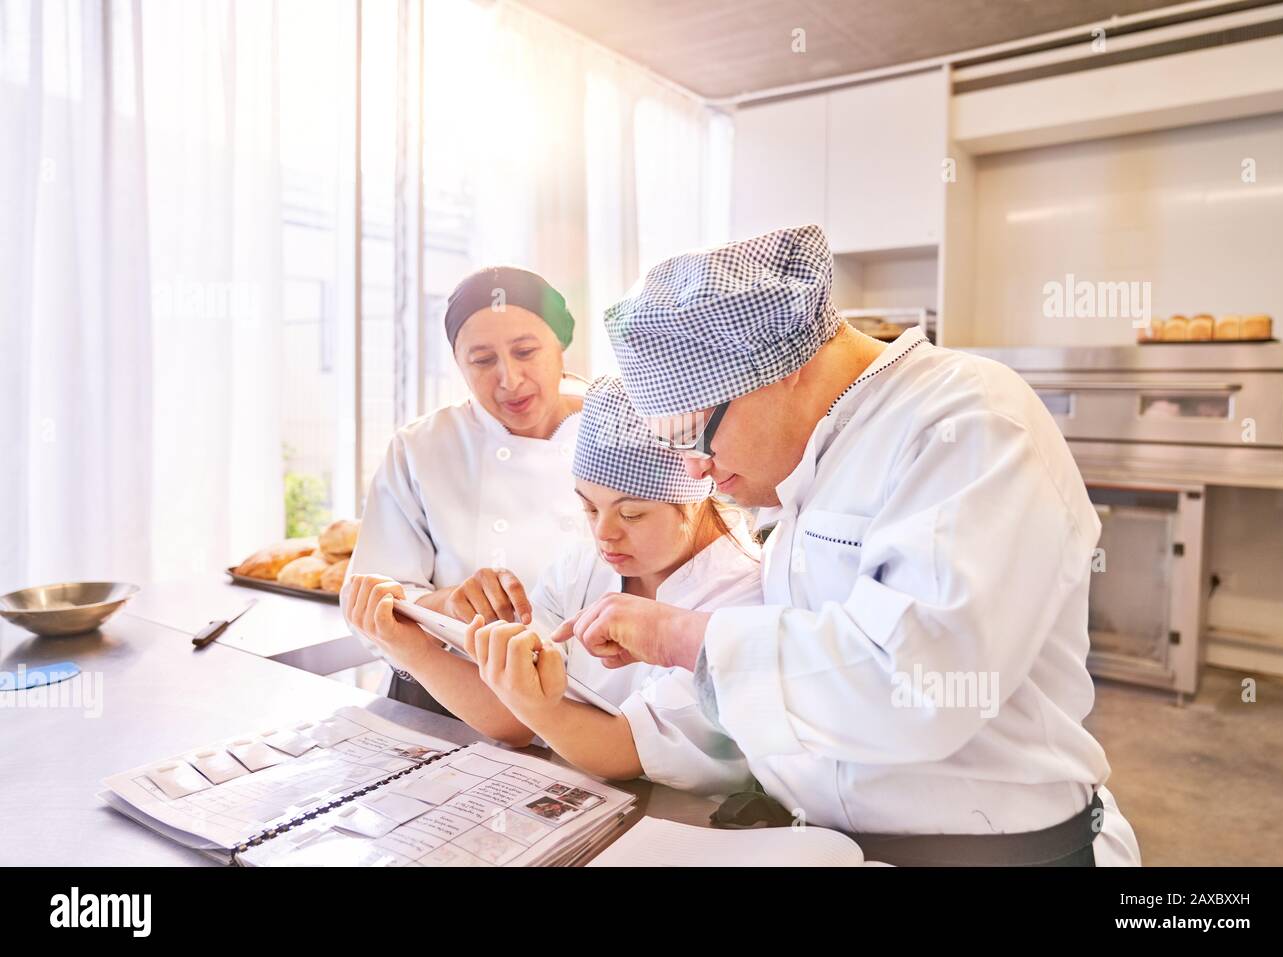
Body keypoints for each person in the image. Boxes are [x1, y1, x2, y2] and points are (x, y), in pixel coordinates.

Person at [558, 224, 1142, 866]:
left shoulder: (966, 420)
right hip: (831, 842)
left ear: (777, 368)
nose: (694, 469)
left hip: (991, 852)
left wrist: (678, 638)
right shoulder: (814, 462)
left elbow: (922, 685)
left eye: (694, 433)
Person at [345, 376, 761, 797]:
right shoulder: (582, 566)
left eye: (632, 514)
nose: (605, 534)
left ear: (694, 496)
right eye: (589, 507)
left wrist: (533, 704)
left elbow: (629, 750)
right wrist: (410, 648)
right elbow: (513, 718)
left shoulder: (741, 592)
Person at [344, 266, 588, 713]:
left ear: (561, 344)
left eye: (526, 351)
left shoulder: (622, 427)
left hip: (589, 698)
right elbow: (371, 598)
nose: (509, 379)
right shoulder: (421, 447)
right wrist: (448, 604)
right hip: (446, 695)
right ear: (458, 363)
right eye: (482, 360)